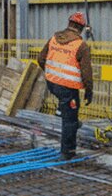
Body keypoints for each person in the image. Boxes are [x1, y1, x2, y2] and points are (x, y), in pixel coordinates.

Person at [37, 12, 94, 160]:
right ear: (81, 28)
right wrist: (89, 90)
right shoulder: (81, 46)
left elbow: (40, 59)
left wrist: (52, 74)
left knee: (67, 107)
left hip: (52, 84)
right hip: (67, 88)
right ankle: (67, 153)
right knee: (70, 120)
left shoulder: (54, 39)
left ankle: (64, 112)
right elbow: (86, 71)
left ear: (69, 24)